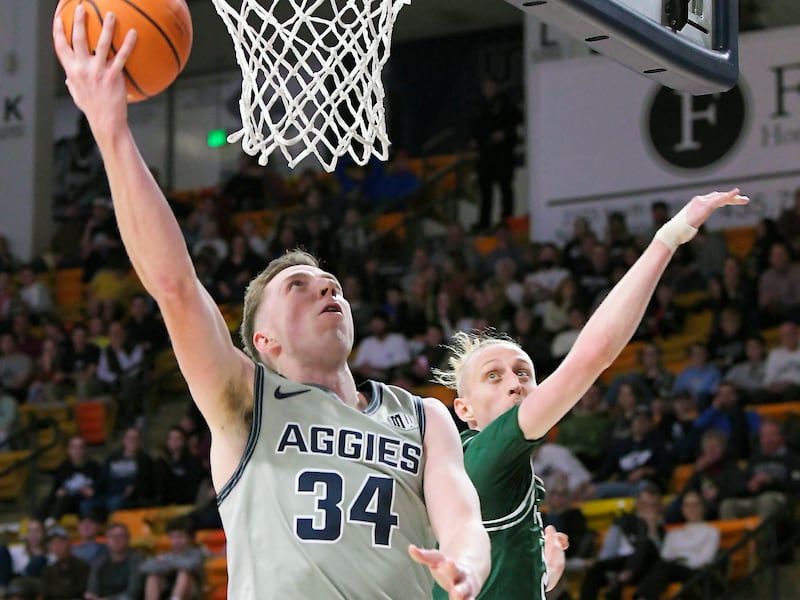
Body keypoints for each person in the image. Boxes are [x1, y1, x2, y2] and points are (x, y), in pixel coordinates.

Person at [53, 9, 490, 600]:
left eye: (329, 282)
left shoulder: (422, 416)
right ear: (264, 341)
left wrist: (467, 566)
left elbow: (463, 518)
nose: (327, 289)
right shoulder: (243, 399)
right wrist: (112, 130)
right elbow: (176, 286)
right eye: (299, 287)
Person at [429, 188, 749, 599]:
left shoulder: (467, 473)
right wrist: (671, 235)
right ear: (465, 409)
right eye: (494, 376)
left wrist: (540, 579)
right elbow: (593, 354)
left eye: (524, 372)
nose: (515, 382)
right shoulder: (488, 453)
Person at [634, 491, 720, 600]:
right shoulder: (674, 533)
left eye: (695, 505)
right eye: (687, 505)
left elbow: (706, 559)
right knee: (658, 565)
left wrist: (681, 559)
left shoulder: (711, 531)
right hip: (672, 569)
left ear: (703, 507)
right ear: (682, 509)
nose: (691, 509)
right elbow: (665, 555)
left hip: (695, 572)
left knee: (664, 567)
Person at [84, 522, 144, 600]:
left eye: (121, 536)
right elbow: (92, 589)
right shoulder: (100, 561)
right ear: (107, 540)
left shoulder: (136, 561)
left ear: (128, 539)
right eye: (112, 536)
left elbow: (132, 594)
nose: (116, 540)